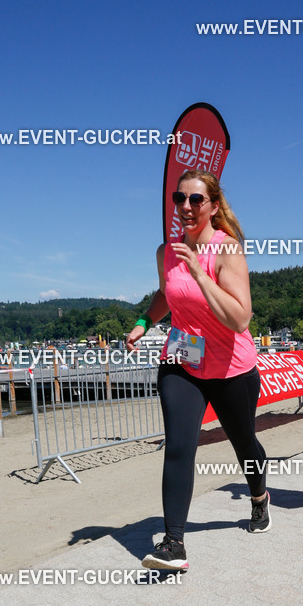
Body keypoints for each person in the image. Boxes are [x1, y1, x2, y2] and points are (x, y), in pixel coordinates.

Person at [126, 169, 270, 570]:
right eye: (180, 198)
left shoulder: (227, 250)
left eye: (195, 199)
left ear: (213, 205)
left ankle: (259, 497)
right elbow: (166, 293)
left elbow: (240, 319)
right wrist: (143, 322)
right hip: (182, 361)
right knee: (179, 446)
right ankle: (174, 543)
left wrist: (200, 274)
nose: (186, 206)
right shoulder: (166, 252)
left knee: (244, 443)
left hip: (231, 367)